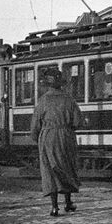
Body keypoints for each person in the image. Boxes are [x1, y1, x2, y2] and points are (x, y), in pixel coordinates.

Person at [31, 71, 83, 216]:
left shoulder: (43, 101)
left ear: (48, 85)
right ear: (61, 85)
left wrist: (39, 139)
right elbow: (78, 121)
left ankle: (54, 207)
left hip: (48, 137)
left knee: (49, 169)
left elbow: (35, 125)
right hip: (66, 136)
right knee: (67, 167)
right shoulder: (69, 100)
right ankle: (68, 202)